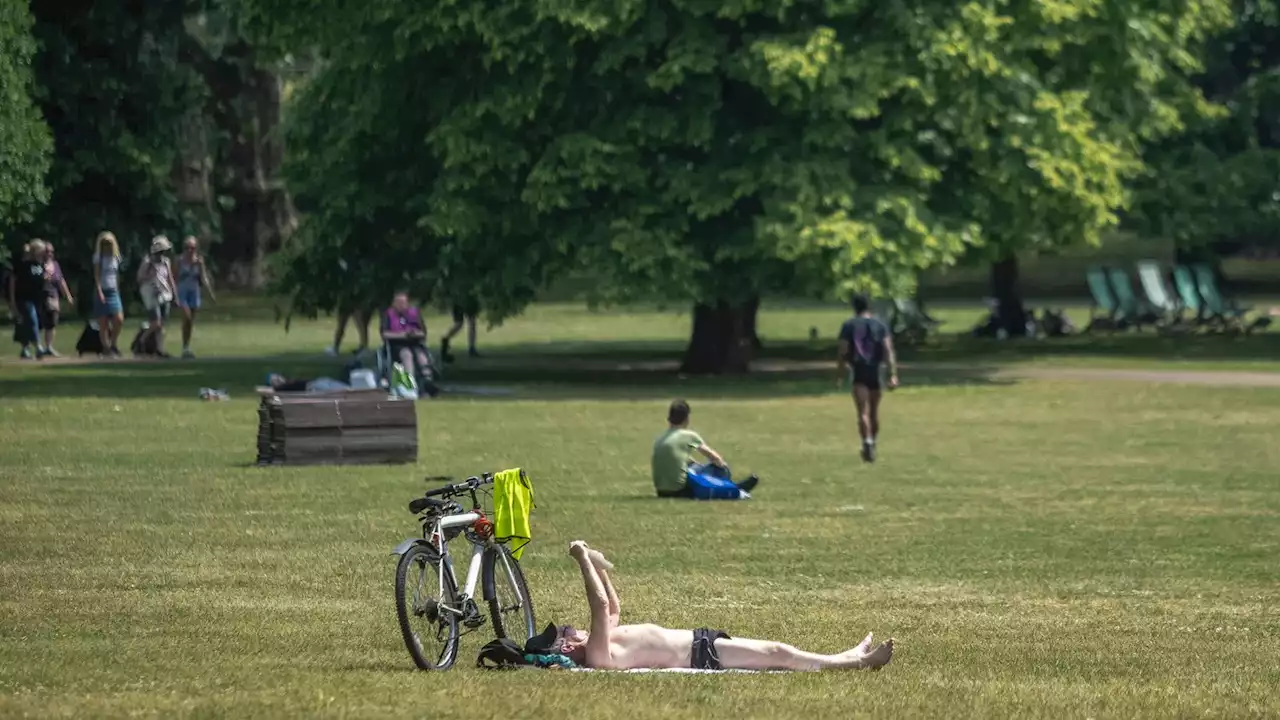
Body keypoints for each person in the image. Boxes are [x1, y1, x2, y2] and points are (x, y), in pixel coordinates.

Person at [553, 540, 894, 671]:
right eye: (567, 630)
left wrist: (598, 567)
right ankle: (856, 665)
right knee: (778, 653)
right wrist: (582, 558)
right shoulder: (598, 654)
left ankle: (847, 657)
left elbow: (611, 605)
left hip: (702, 641)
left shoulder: (603, 640)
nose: (572, 626)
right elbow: (598, 605)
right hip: (701, 655)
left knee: (778, 651)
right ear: (568, 645)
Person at [651, 399, 758, 498]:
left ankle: (732, 487)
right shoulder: (688, 435)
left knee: (694, 467)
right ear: (686, 418)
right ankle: (733, 489)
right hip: (680, 489)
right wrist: (723, 465)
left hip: (661, 491)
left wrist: (696, 465)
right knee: (719, 468)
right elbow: (714, 458)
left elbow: (677, 458)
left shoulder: (660, 437)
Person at [837, 295, 899, 463]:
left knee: (862, 412)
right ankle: (873, 442)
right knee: (874, 412)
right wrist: (892, 374)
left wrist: (840, 373)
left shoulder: (849, 325)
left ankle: (867, 442)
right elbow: (888, 349)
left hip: (859, 371)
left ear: (854, 307)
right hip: (876, 370)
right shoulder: (880, 325)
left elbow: (843, 350)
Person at [175, 236, 216, 358]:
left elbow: (203, 278)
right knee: (186, 317)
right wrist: (173, 294)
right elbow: (174, 277)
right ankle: (185, 347)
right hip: (182, 292)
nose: (189, 250)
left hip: (194, 292)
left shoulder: (199, 261)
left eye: (192, 248)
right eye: (187, 248)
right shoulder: (179, 260)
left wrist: (210, 294)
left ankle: (186, 347)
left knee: (190, 322)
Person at [381, 290, 434, 383]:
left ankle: (428, 381)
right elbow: (384, 334)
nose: (401, 305)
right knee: (407, 355)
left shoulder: (414, 313)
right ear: (394, 303)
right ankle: (410, 382)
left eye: (404, 302)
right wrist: (401, 335)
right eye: (399, 303)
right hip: (397, 344)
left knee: (422, 356)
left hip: (414, 342)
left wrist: (414, 333)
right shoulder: (388, 315)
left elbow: (423, 332)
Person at [137, 235, 176, 358]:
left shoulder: (165, 262)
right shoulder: (147, 262)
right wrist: (149, 274)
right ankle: (142, 340)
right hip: (151, 294)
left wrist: (174, 293)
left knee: (161, 324)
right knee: (156, 323)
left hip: (164, 294)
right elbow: (139, 278)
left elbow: (169, 278)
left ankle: (160, 349)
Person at [7, 241, 46, 359]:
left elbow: (41, 281)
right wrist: (12, 300)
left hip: (37, 299)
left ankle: (25, 349)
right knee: (31, 319)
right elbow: (12, 282)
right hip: (23, 298)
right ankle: (38, 346)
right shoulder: (22, 265)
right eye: (41, 250)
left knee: (29, 323)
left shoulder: (40, 264)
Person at [92, 231, 125, 358]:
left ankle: (114, 344)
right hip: (103, 290)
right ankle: (105, 347)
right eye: (104, 244)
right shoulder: (98, 257)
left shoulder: (116, 257)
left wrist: (118, 288)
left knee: (119, 319)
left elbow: (116, 275)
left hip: (113, 290)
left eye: (109, 243)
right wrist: (99, 291)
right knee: (103, 322)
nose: (106, 246)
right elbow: (97, 276)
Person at [38, 241, 74, 358]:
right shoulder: (39, 265)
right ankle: (37, 346)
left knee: (53, 321)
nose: (49, 254)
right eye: (47, 251)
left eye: (51, 251)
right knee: (40, 323)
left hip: (53, 296)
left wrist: (68, 295)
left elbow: (61, 281)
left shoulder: (55, 265)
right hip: (41, 296)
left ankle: (48, 347)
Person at [440, 296, 479, 362]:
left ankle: (445, 339)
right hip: (464, 300)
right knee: (465, 324)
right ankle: (445, 339)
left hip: (462, 300)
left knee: (466, 323)